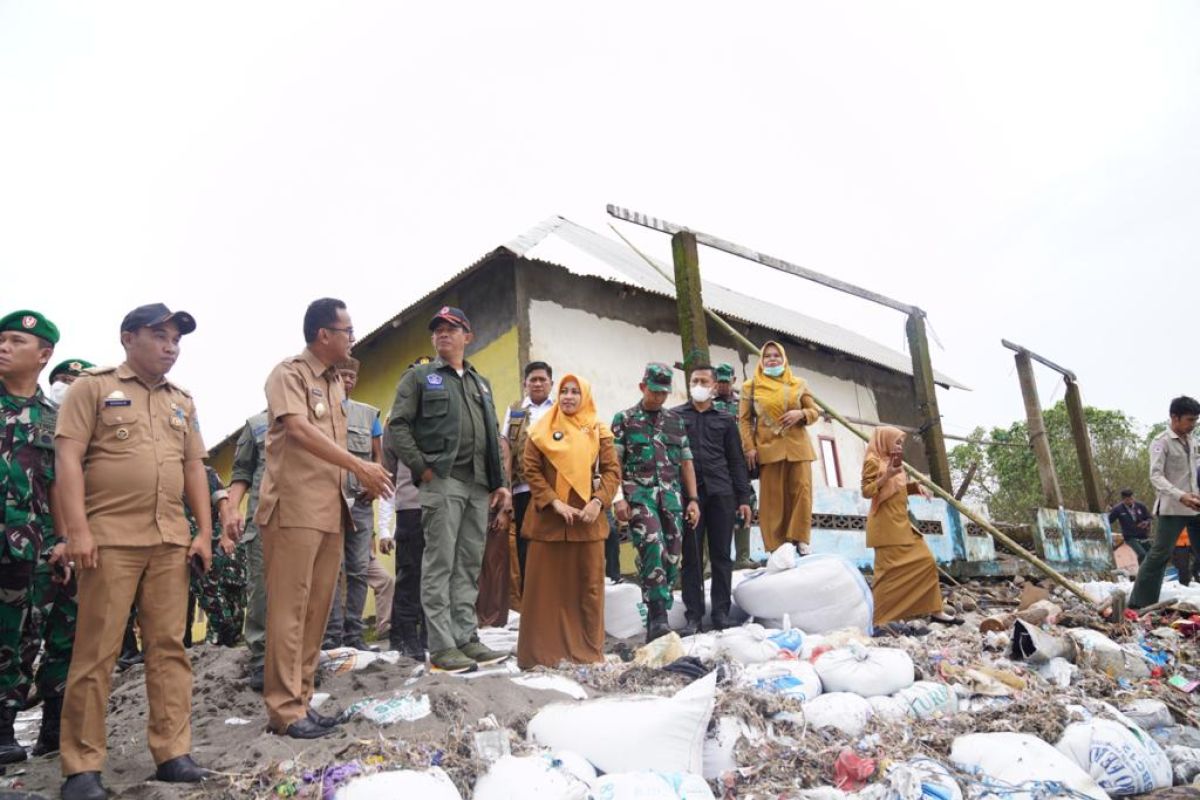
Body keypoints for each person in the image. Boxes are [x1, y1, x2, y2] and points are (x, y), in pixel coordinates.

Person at [56, 303, 214, 799]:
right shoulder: (93, 388)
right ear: (129, 338)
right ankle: (81, 768)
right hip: (109, 540)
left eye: (177, 340)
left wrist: (203, 532)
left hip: (169, 539)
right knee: (96, 653)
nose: (172, 347)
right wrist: (76, 531)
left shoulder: (182, 401)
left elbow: (194, 468)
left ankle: (173, 754)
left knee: (169, 650)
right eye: (161, 336)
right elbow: (68, 459)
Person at [255, 298, 393, 740]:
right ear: (323, 335)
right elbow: (297, 429)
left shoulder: (336, 384)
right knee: (289, 613)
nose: (352, 337)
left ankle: (302, 702)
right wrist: (360, 467)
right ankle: (283, 710)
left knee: (316, 613)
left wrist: (358, 479)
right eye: (347, 330)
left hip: (331, 511)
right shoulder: (289, 374)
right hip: (293, 510)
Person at [388, 306, 511, 674]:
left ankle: (466, 638)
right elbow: (398, 426)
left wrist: (500, 483)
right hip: (442, 480)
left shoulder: (480, 383)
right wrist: (422, 469)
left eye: (451, 328)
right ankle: (442, 645)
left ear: (467, 336)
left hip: (477, 485)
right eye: (437, 330)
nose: (443, 334)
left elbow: (492, 435)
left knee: (469, 564)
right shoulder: (420, 378)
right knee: (439, 564)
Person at [0, 311, 73, 763]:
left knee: (18, 637)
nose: (3, 346)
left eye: (14, 341)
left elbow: (59, 484)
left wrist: (63, 539)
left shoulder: (54, 418)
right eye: (1, 339)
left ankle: (4, 728)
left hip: (25, 544)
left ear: (43, 355)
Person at [516, 375, 620, 668]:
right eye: (564, 391)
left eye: (575, 392)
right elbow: (531, 469)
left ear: (585, 396)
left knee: (587, 591)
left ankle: (586, 654)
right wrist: (553, 501)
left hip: (587, 522)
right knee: (544, 593)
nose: (569, 397)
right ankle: (540, 656)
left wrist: (598, 502)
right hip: (549, 521)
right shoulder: (541, 430)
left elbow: (612, 472)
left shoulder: (600, 431)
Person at [612, 363, 700, 643]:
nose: (659, 397)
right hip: (639, 495)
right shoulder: (624, 419)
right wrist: (618, 499)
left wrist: (693, 499)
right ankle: (659, 617)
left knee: (673, 555)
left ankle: (656, 616)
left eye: (663, 393)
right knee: (652, 546)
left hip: (671, 498)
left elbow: (686, 463)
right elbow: (613, 462)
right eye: (654, 391)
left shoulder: (675, 421)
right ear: (642, 387)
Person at [673, 366, 753, 634]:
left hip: (722, 494)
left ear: (713, 385)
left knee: (721, 555)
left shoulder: (725, 420)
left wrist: (744, 498)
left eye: (703, 381)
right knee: (692, 557)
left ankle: (720, 613)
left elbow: (736, 461)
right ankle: (693, 616)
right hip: (689, 497)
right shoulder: (674, 417)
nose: (698, 384)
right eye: (694, 380)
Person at [861, 426, 958, 628]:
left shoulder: (895, 463)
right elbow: (867, 491)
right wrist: (887, 475)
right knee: (887, 576)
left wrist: (914, 488)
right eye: (896, 442)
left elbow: (896, 490)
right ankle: (877, 620)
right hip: (885, 527)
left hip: (902, 524)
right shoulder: (873, 461)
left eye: (900, 443)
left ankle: (935, 609)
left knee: (926, 561)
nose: (898, 446)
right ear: (884, 440)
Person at [324, 357, 383, 651]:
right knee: (333, 569)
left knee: (359, 568)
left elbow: (377, 455)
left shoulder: (368, 414)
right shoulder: (320, 412)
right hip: (329, 501)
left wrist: (375, 484)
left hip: (359, 502)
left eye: (351, 376)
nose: (347, 380)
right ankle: (332, 636)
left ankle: (354, 635)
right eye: (342, 375)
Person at [739, 341, 818, 553]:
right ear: (761, 361)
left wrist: (801, 414)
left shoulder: (798, 383)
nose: (772, 359)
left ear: (784, 359)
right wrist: (749, 447)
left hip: (798, 448)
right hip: (768, 449)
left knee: (802, 492)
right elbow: (744, 420)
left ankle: (801, 539)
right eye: (767, 356)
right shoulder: (751, 386)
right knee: (772, 500)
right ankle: (776, 546)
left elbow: (815, 412)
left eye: (776, 355)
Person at [1130, 396, 1200, 609]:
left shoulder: (1193, 440)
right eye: (1190, 420)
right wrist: (1181, 495)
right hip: (1173, 507)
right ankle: (1139, 604)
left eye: (1196, 420)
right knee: (1159, 555)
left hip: (1195, 506)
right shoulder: (1161, 442)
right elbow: (1156, 476)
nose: (1193, 424)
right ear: (1174, 417)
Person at [223, 410, 268, 690]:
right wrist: (231, 509)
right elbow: (241, 472)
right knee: (262, 590)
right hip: (264, 521)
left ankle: (301, 660)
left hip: (308, 519)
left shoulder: (320, 416)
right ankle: (262, 659)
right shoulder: (257, 425)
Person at [500, 361, 555, 590]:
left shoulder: (560, 409)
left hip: (556, 490)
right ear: (525, 383)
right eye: (533, 379)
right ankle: (531, 602)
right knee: (526, 544)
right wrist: (507, 491)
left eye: (543, 379)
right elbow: (506, 450)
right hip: (523, 489)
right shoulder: (515, 411)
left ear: (551, 383)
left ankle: (557, 601)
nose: (538, 383)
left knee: (554, 542)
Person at [379, 423, 426, 659]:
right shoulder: (396, 424)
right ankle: (404, 638)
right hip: (410, 507)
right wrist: (384, 529)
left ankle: (427, 636)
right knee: (410, 574)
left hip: (441, 504)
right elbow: (388, 474)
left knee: (435, 574)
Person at [189, 467, 241, 645]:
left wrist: (226, 536)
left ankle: (225, 637)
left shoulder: (204, 472)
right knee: (197, 594)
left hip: (208, 543)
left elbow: (223, 505)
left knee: (211, 593)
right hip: (181, 544)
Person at [1109, 488, 1152, 562]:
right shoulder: (1117, 509)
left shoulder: (1140, 506)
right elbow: (1109, 520)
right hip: (1130, 537)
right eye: (1127, 499)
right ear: (1123, 499)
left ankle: (1151, 571)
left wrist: (1146, 523)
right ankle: (1142, 572)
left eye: (1131, 498)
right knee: (1142, 554)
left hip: (1142, 535)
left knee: (1151, 554)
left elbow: (1149, 517)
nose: (1130, 501)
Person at [365, 543, 395, 641]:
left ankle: (384, 628)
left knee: (386, 580)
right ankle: (339, 634)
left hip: (364, 550)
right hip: (342, 547)